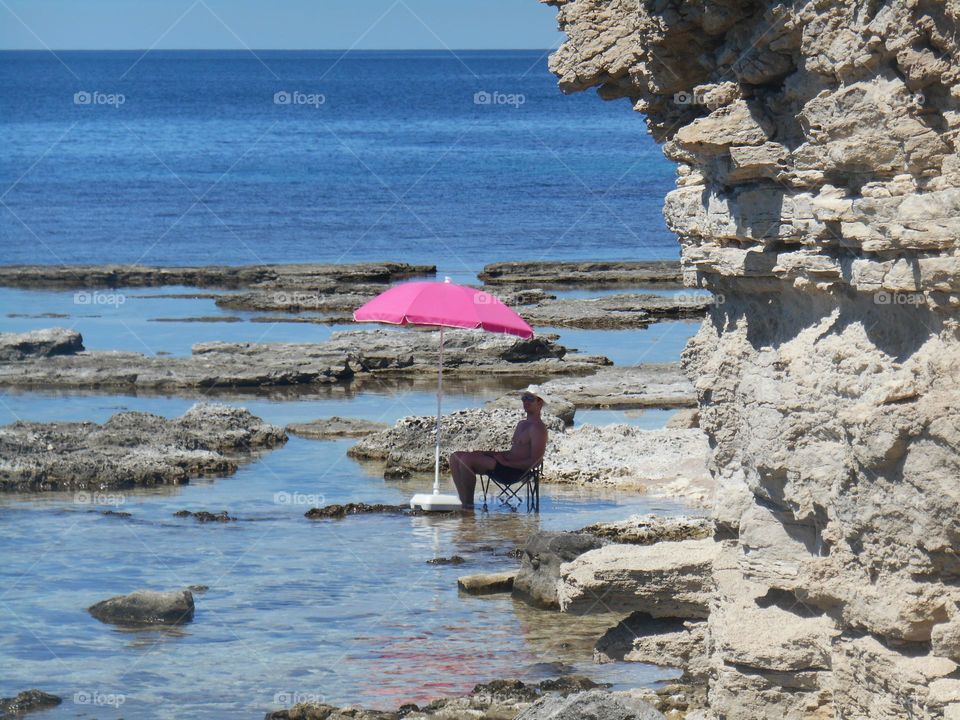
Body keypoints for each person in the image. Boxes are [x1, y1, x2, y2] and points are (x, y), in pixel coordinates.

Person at [448, 388, 549, 509]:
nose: (525, 401)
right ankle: (463, 500)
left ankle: (468, 506)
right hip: (503, 464)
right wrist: (488, 453)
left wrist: (508, 462)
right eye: (524, 398)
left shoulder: (538, 428)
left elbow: (535, 461)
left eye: (530, 398)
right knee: (455, 457)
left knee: (467, 460)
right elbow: (514, 451)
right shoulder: (522, 424)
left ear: (540, 402)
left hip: (514, 471)